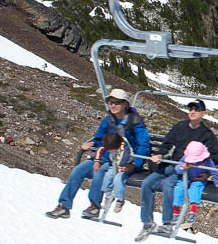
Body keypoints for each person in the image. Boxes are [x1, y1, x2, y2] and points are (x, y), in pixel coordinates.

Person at [46, 88, 150, 219]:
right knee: (78, 170)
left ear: (124, 104)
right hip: (103, 155)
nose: (112, 105)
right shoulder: (109, 120)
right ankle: (64, 205)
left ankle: (95, 206)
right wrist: (92, 144)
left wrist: (135, 164)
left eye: (116, 102)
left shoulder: (135, 122)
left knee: (100, 171)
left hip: (120, 159)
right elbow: (100, 137)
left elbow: (143, 145)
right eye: (110, 102)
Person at [138, 99, 218, 238]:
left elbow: (214, 156)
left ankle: (168, 223)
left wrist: (207, 173)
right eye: (191, 109)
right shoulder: (180, 127)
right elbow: (168, 142)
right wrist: (160, 154)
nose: (193, 112)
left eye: (196, 109)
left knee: (168, 184)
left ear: (203, 113)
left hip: (188, 171)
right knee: (147, 183)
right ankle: (147, 223)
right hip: (173, 164)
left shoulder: (206, 134)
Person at [171, 141, 218, 224]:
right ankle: (176, 212)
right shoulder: (185, 158)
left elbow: (214, 171)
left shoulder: (207, 161)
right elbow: (177, 169)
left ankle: (192, 211)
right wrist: (182, 167)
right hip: (186, 177)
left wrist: (217, 183)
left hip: (199, 179)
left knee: (196, 189)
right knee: (179, 188)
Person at [96, 132, 137, 213]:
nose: (110, 152)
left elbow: (125, 155)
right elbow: (100, 149)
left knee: (118, 179)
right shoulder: (110, 144)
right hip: (114, 164)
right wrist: (97, 161)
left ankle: (120, 199)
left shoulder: (123, 145)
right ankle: (108, 196)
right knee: (107, 177)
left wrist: (121, 165)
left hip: (126, 165)